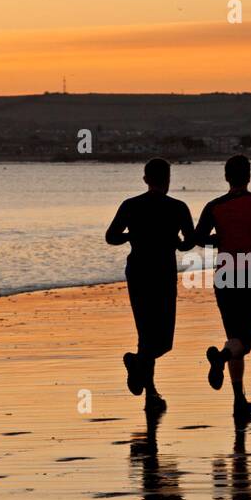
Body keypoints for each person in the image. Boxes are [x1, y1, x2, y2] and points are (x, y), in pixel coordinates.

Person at [194, 155, 251, 420]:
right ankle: (222, 359)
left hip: (224, 275)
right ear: (248, 177)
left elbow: (197, 238)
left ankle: (239, 400)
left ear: (226, 177)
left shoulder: (214, 206)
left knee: (235, 335)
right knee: (242, 343)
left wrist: (219, 239)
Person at [105, 158, 196, 412]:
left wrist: (131, 235)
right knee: (163, 339)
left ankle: (143, 373)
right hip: (162, 273)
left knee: (146, 333)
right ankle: (148, 386)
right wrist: (178, 243)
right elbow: (190, 242)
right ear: (168, 180)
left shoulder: (131, 205)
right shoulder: (178, 207)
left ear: (145, 179)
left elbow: (111, 237)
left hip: (138, 272)